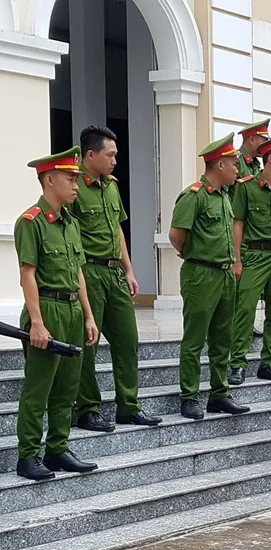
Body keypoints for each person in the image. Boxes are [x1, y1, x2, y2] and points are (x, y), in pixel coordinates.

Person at [14, 147, 100, 480]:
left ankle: (58, 449)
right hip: (47, 309)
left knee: (68, 387)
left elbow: (78, 274)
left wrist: (89, 316)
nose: (77, 185)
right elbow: (28, 274)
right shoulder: (31, 222)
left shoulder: (70, 224)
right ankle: (28, 455)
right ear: (50, 180)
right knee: (40, 388)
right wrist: (36, 321)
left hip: (72, 310)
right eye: (70, 178)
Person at [69, 126, 160, 432]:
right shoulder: (74, 187)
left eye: (116, 155)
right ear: (90, 155)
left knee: (127, 340)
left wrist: (130, 270)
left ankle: (129, 406)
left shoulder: (110, 186)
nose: (115, 161)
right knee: (88, 343)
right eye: (110, 155)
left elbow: (118, 230)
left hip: (114, 273)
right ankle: (87, 409)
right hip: (89, 272)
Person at [168, 134, 250, 421]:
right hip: (201, 273)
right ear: (218, 164)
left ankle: (219, 393)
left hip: (225, 273)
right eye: (233, 164)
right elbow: (176, 236)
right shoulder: (195, 195)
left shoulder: (226, 197)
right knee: (195, 338)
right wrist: (194, 254)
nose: (237, 169)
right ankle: (189, 395)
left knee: (222, 338)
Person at [228, 132, 271, 386]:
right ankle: (237, 363)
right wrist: (237, 259)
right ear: (270, 159)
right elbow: (238, 224)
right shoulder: (245, 187)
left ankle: (268, 362)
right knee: (245, 308)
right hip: (255, 254)